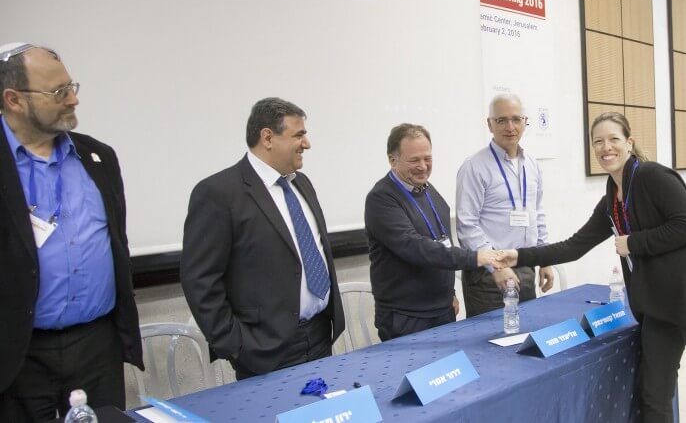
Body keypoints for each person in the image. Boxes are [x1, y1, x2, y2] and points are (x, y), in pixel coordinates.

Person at [503, 112, 686, 423]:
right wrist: (518, 256)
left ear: (629, 142)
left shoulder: (653, 177)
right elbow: (574, 246)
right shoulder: (611, 199)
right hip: (660, 310)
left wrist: (633, 243)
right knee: (654, 395)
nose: (606, 147)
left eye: (614, 139)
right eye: (598, 142)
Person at [0, 43, 143, 422]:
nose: (73, 99)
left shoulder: (98, 158)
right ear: (13, 99)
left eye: (71, 86)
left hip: (97, 349)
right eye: (58, 92)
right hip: (19, 355)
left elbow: (118, 244)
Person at [181, 97, 344, 380]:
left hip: (319, 337)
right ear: (267, 137)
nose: (307, 144)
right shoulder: (219, 193)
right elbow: (200, 281)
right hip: (265, 351)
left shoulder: (301, 184)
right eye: (299, 134)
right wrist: (237, 347)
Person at [365, 123, 504, 341]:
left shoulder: (428, 190)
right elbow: (416, 247)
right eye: (414, 160)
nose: (423, 166)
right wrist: (476, 257)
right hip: (406, 317)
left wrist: (451, 293)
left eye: (427, 158)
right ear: (393, 161)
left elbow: (442, 241)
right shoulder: (381, 199)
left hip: (442, 309)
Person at [456, 94, 554, 317]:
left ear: (525, 122)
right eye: (501, 120)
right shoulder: (474, 166)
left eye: (516, 119)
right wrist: (498, 266)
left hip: (525, 266)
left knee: (526, 338)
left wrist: (545, 258)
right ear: (489, 124)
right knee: (489, 345)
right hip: (488, 276)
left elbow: (537, 214)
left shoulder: (532, 164)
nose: (510, 127)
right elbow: (466, 225)